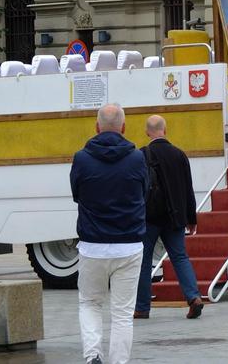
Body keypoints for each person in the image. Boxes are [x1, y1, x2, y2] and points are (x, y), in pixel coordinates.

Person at [70, 103, 149, 364]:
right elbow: (144, 192)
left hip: (92, 245)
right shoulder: (137, 157)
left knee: (90, 303)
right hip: (129, 246)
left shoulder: (81, 158)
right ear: (124, 128)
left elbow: (77, 195)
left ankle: (93, 356)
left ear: (96, 127)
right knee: (123, 313)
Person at [134, 115, 204, 320]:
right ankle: (193, 297)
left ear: (147, 132)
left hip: (149, 218)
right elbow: (187, 189)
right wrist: (192, 218)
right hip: (174, 217)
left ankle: (142, 308)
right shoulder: (179, 155)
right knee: (180, 257)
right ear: (165, 130)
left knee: (144, 261)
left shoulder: (142, 155)